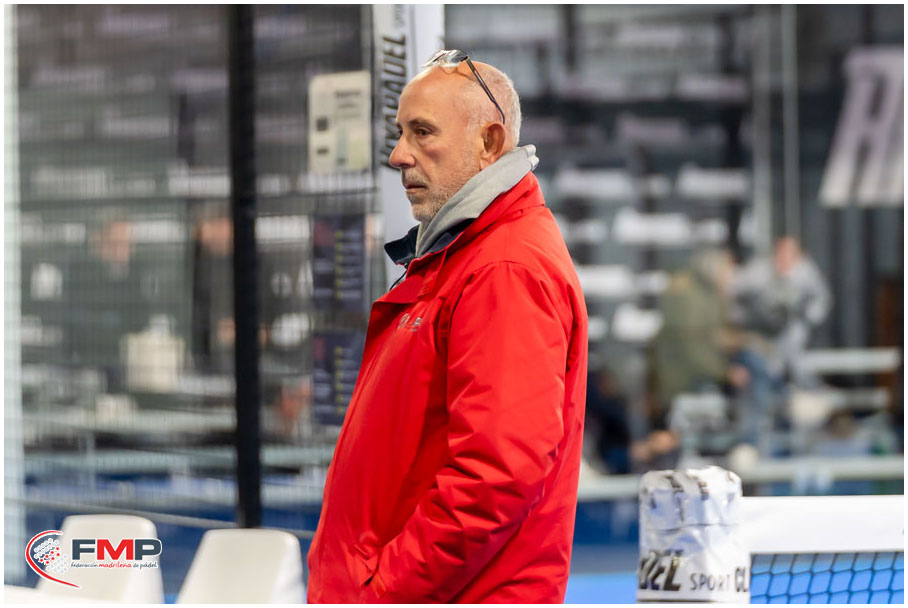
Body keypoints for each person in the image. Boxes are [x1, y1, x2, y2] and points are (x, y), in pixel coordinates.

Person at [306, 51, 588, 603]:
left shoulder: (504, 269)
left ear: (489, 143)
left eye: (422, 132)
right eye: (400, 132)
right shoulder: (465, 257)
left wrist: (382, 591)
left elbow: (497, 475)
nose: (398, 154)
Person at [733, 236, 832, 386]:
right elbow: (734, 288)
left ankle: (805, 388)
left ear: (799, 256)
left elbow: (821, 300)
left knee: (796, 366)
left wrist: (806, 313)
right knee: (763, 371)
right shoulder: (760, 270)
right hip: (761, 333)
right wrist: (749, 314)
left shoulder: (807, 273)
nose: (784, 258)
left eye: (790, 254)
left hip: (792, 332)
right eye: (781, 253)